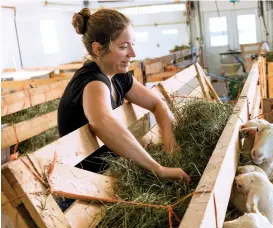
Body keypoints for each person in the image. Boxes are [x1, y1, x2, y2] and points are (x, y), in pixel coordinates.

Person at [58, 8, 191, 184]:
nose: (133, 54)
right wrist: (159, 169)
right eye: (123, 46)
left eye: (132, 44)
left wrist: (170, 147)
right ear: (98, 49)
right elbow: (102, 123)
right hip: (88, 183)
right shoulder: (93, 82)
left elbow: (158, 104)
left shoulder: (118, 76)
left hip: (115, 170)